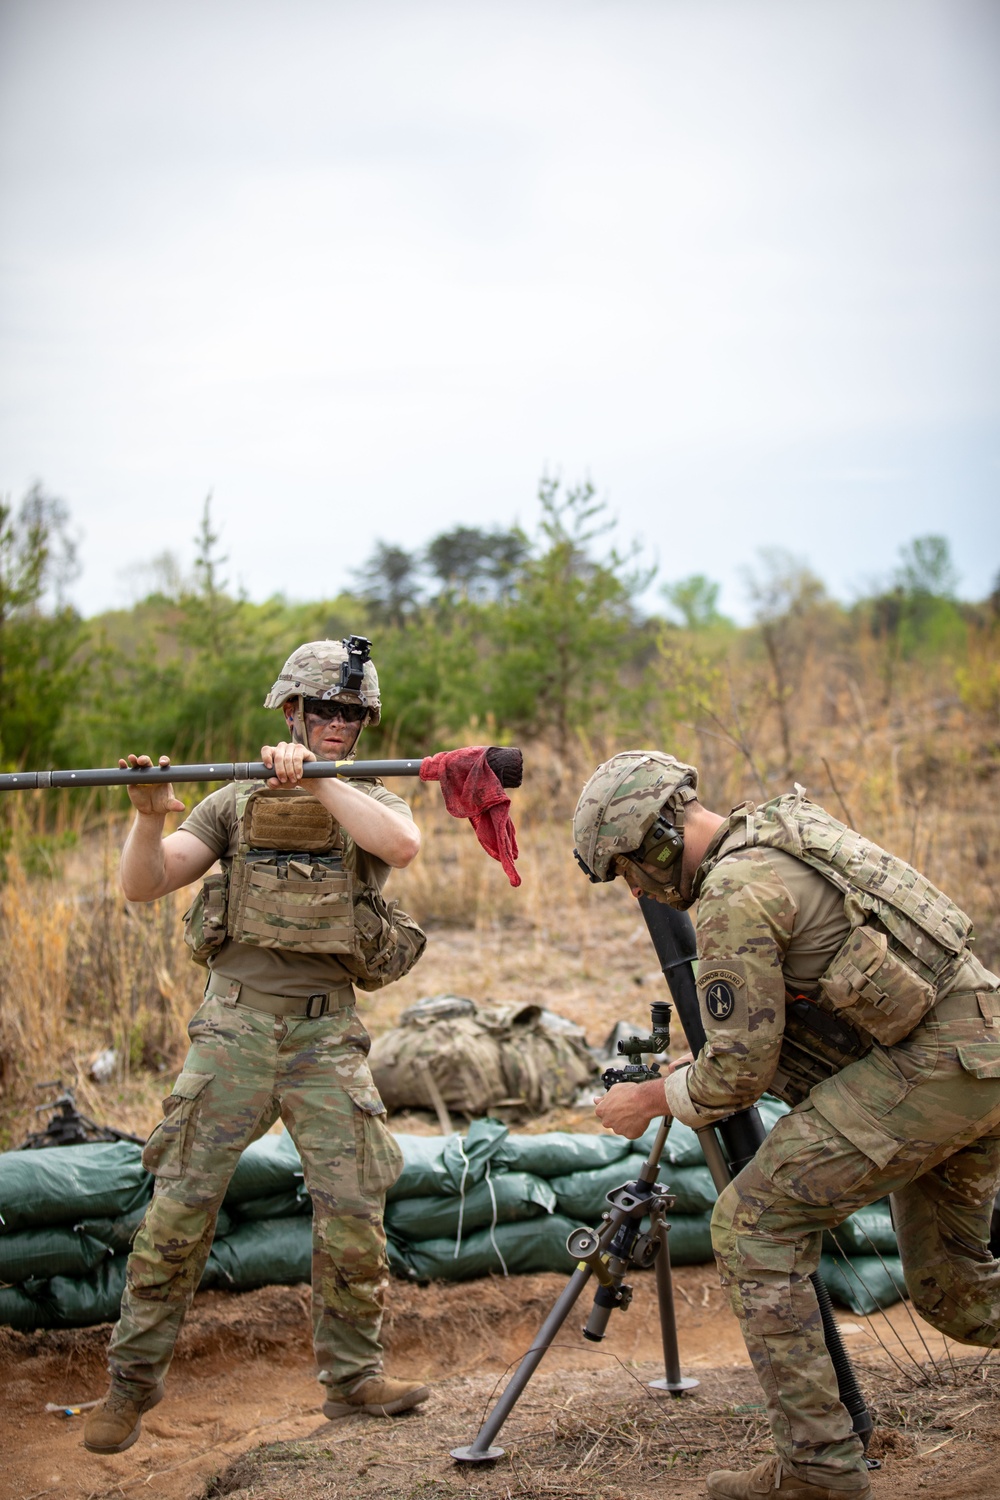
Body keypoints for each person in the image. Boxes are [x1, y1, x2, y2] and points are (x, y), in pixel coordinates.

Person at [573, 751, 1000, 1500]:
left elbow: (736, 1075)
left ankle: (818, 1468)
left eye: (628, 872)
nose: (637, 889)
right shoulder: (782, 828)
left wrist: (650, 1100)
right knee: (952, 1291)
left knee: (754, 1226)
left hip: (934, 1069)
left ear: (657, 841)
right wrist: (688, 1072)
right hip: (977, 1051)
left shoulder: (732, 895)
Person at [84, 639, 430, 1456]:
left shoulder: (368, 796)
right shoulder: (234, 801)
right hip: (234, 1029)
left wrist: (316, 775)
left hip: (326, 1033)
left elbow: (400, 847)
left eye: (353, 713)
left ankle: (353, 1381)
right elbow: (145, 883)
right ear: (291, 710)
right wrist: (145, 816)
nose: (341, 724)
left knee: (353, 1210)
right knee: (179, 1208)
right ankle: (129, 1387)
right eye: (326, 711)